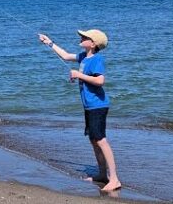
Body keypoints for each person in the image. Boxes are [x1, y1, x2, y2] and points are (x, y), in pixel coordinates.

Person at [38, 28, 121, 193]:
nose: (81, 37)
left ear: (93, 43)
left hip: (99, 105)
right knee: (93, 140)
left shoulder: (97, 59)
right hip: (89, 106)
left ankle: (114, 179)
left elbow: (100, 81)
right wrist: (50, 43)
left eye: (85, 37)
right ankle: (102, 175)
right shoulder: (83, 57)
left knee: (101, 140)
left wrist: (79, 75)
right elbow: (66, 56)